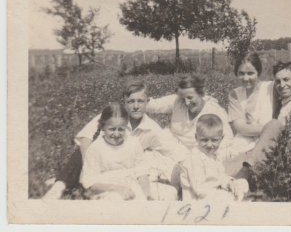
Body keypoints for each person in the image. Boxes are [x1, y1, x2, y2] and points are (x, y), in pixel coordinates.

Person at [43, 79, 183, 199]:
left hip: (123, 169)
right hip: (98, 162)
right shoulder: (113, 116)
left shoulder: (151, 128)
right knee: (80, 151)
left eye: (140, 101)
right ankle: (59, 185)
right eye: (131, 101)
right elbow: (85, 139)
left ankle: (71, 181)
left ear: (147, 102)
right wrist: (89, 168)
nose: (135, 106)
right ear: (125, 102)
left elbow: (172, 150)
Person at [225, 52, 291, 176]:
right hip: (252, 143)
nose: (246, 78)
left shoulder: (274, 86)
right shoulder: (235, 94)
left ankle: (246, 173)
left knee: (273, 127)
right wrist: (271, 130)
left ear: (258, 72)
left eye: (250, 73)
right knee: (225, 168)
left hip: (274, 145)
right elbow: (240, 128)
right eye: (241, 73)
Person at [247, 61, 291, 165]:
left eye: (286, 80)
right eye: (278, 81)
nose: (282, 85)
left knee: (273, 125)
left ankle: (252, 162)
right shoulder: (288, 100)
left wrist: (268, 131)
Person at [146, 74, 234, 160]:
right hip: (173, 147)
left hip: (200, 153)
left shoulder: (214, 110)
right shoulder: (178, 101)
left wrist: (210, 153)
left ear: (201, 94)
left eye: (190, 98)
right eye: (182, 98)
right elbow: (154, 105)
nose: (186, 102)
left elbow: (228, 138)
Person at [80, 102, 148, 200]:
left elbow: (142, 172)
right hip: (105, 189)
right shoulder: (96, 149)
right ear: (103, 127)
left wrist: (147, 195)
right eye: (112, 129)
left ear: (126, 127)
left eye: (121, 129)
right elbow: (90, 183)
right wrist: (116, 188)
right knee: (116, 198)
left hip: (130, 185)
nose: (116, 134)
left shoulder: (133, 143)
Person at [179, 114, 249, 201]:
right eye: (204, 140)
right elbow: (199, 190)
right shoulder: (194, 158)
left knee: (243, 183)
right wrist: (224, 193)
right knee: (228, 197)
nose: (209, 144)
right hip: (198, 200)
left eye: (214, 140)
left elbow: (220, 176)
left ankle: (237, 199)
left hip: (213, 192)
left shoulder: (213, 156)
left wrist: (229, 182)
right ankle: (236, 202)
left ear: (221, 138)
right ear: (196, 138)